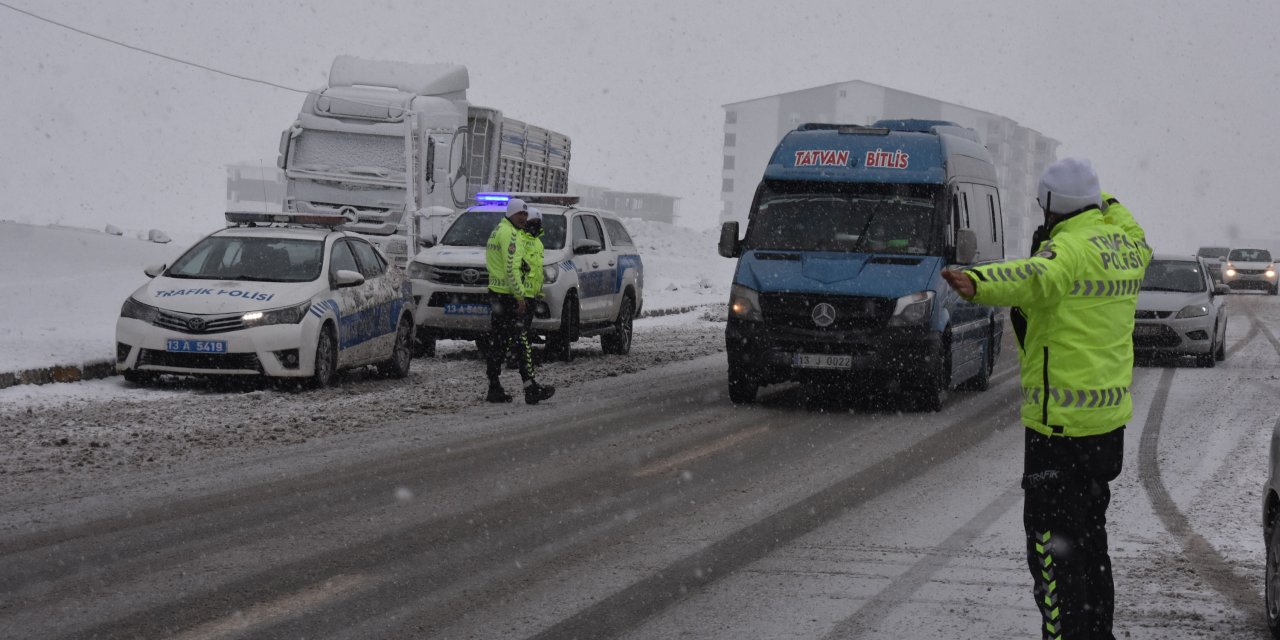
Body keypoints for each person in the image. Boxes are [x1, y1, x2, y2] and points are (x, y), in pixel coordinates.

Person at [940, 157, 1151, 640]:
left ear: (1053, 207)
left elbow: (1035, 276)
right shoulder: (1128, 246)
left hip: (1059, 431)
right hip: (1105, 431)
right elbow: (1130, 224)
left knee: (1051, 550)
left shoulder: (1070, 250)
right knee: (1091, 543)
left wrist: (978, 283)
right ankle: (1097, 634)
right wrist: (1105, 202)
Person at [484, 198, 555, 405]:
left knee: (498, 341)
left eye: (526, 215)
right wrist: (519, 296)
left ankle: (494, 386)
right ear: (511, 214)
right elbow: (511, 269)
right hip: (508, 297)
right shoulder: (510, 234)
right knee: (522, 340)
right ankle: (530, 387)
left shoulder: (498, 230)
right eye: (520, 214)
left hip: (497, 293)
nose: (524, 219)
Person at [519, 207, 547, 341]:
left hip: (532, 296)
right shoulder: (520, 239)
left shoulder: (539, 243)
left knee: (525, 329)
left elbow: (538, 269)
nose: (536, 225)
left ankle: (524, 357)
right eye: (532, 222)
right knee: (519, 330)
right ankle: (518, 357)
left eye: (538, 222)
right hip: (521, 294)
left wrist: (538, 292)